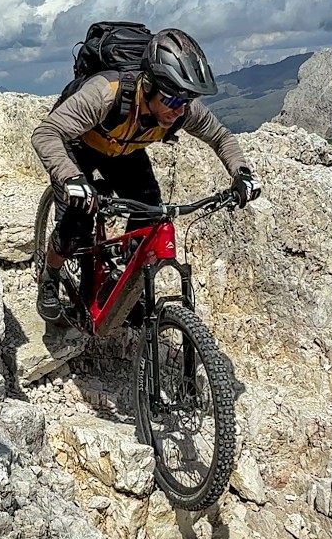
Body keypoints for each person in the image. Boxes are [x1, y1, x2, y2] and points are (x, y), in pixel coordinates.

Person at [31, 27, 261, 322]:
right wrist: (71, 178)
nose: (179, 111)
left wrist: (241, 173)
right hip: (80, 146)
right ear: (149, 85)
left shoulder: (181, 107)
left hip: (124, 152)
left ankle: (120, 285)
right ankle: (49, 275)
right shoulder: (106, 94)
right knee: (76, 227)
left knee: (151, 212)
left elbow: (221, 137)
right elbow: (47, 132)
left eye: (186, 101)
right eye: (173, 101)